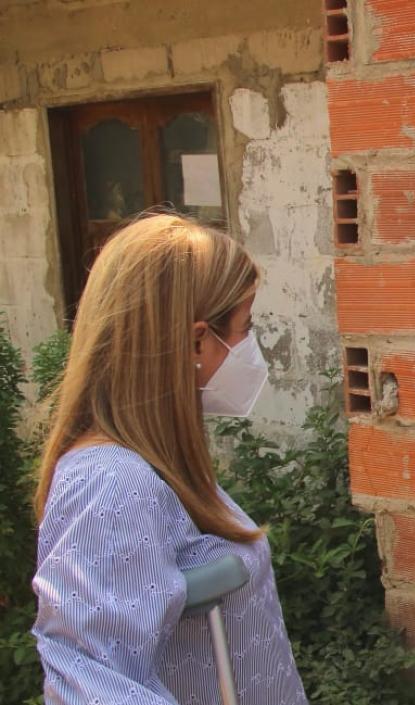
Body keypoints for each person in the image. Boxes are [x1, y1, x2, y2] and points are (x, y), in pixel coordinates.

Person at [31, 214, 307, 704]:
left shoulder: (154, 465)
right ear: (196, 341)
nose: (250, 346)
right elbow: (94, 684)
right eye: (244, 328)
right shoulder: (110, 482)